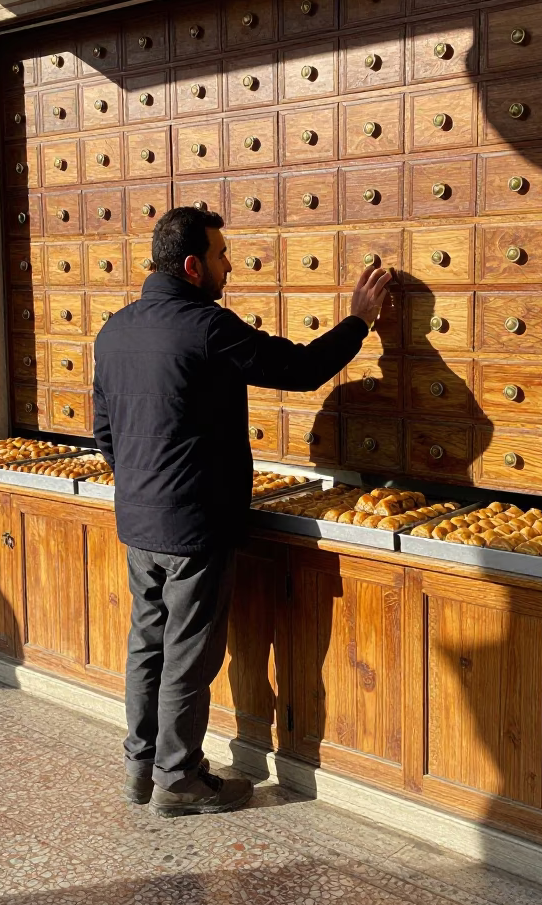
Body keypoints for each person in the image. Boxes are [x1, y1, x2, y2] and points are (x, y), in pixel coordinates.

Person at [92, 206, 391, 818]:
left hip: (140, 523)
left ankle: (140, 767)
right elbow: (300, 369)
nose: (230, 266)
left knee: (148, 644)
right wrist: (358, 322)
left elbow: (105, 432)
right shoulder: (204, 325)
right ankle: (179, 779)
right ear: (192, 265)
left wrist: (142, 489)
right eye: (222, 255)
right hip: (194, 525)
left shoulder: (114, 330)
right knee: (189, 655)